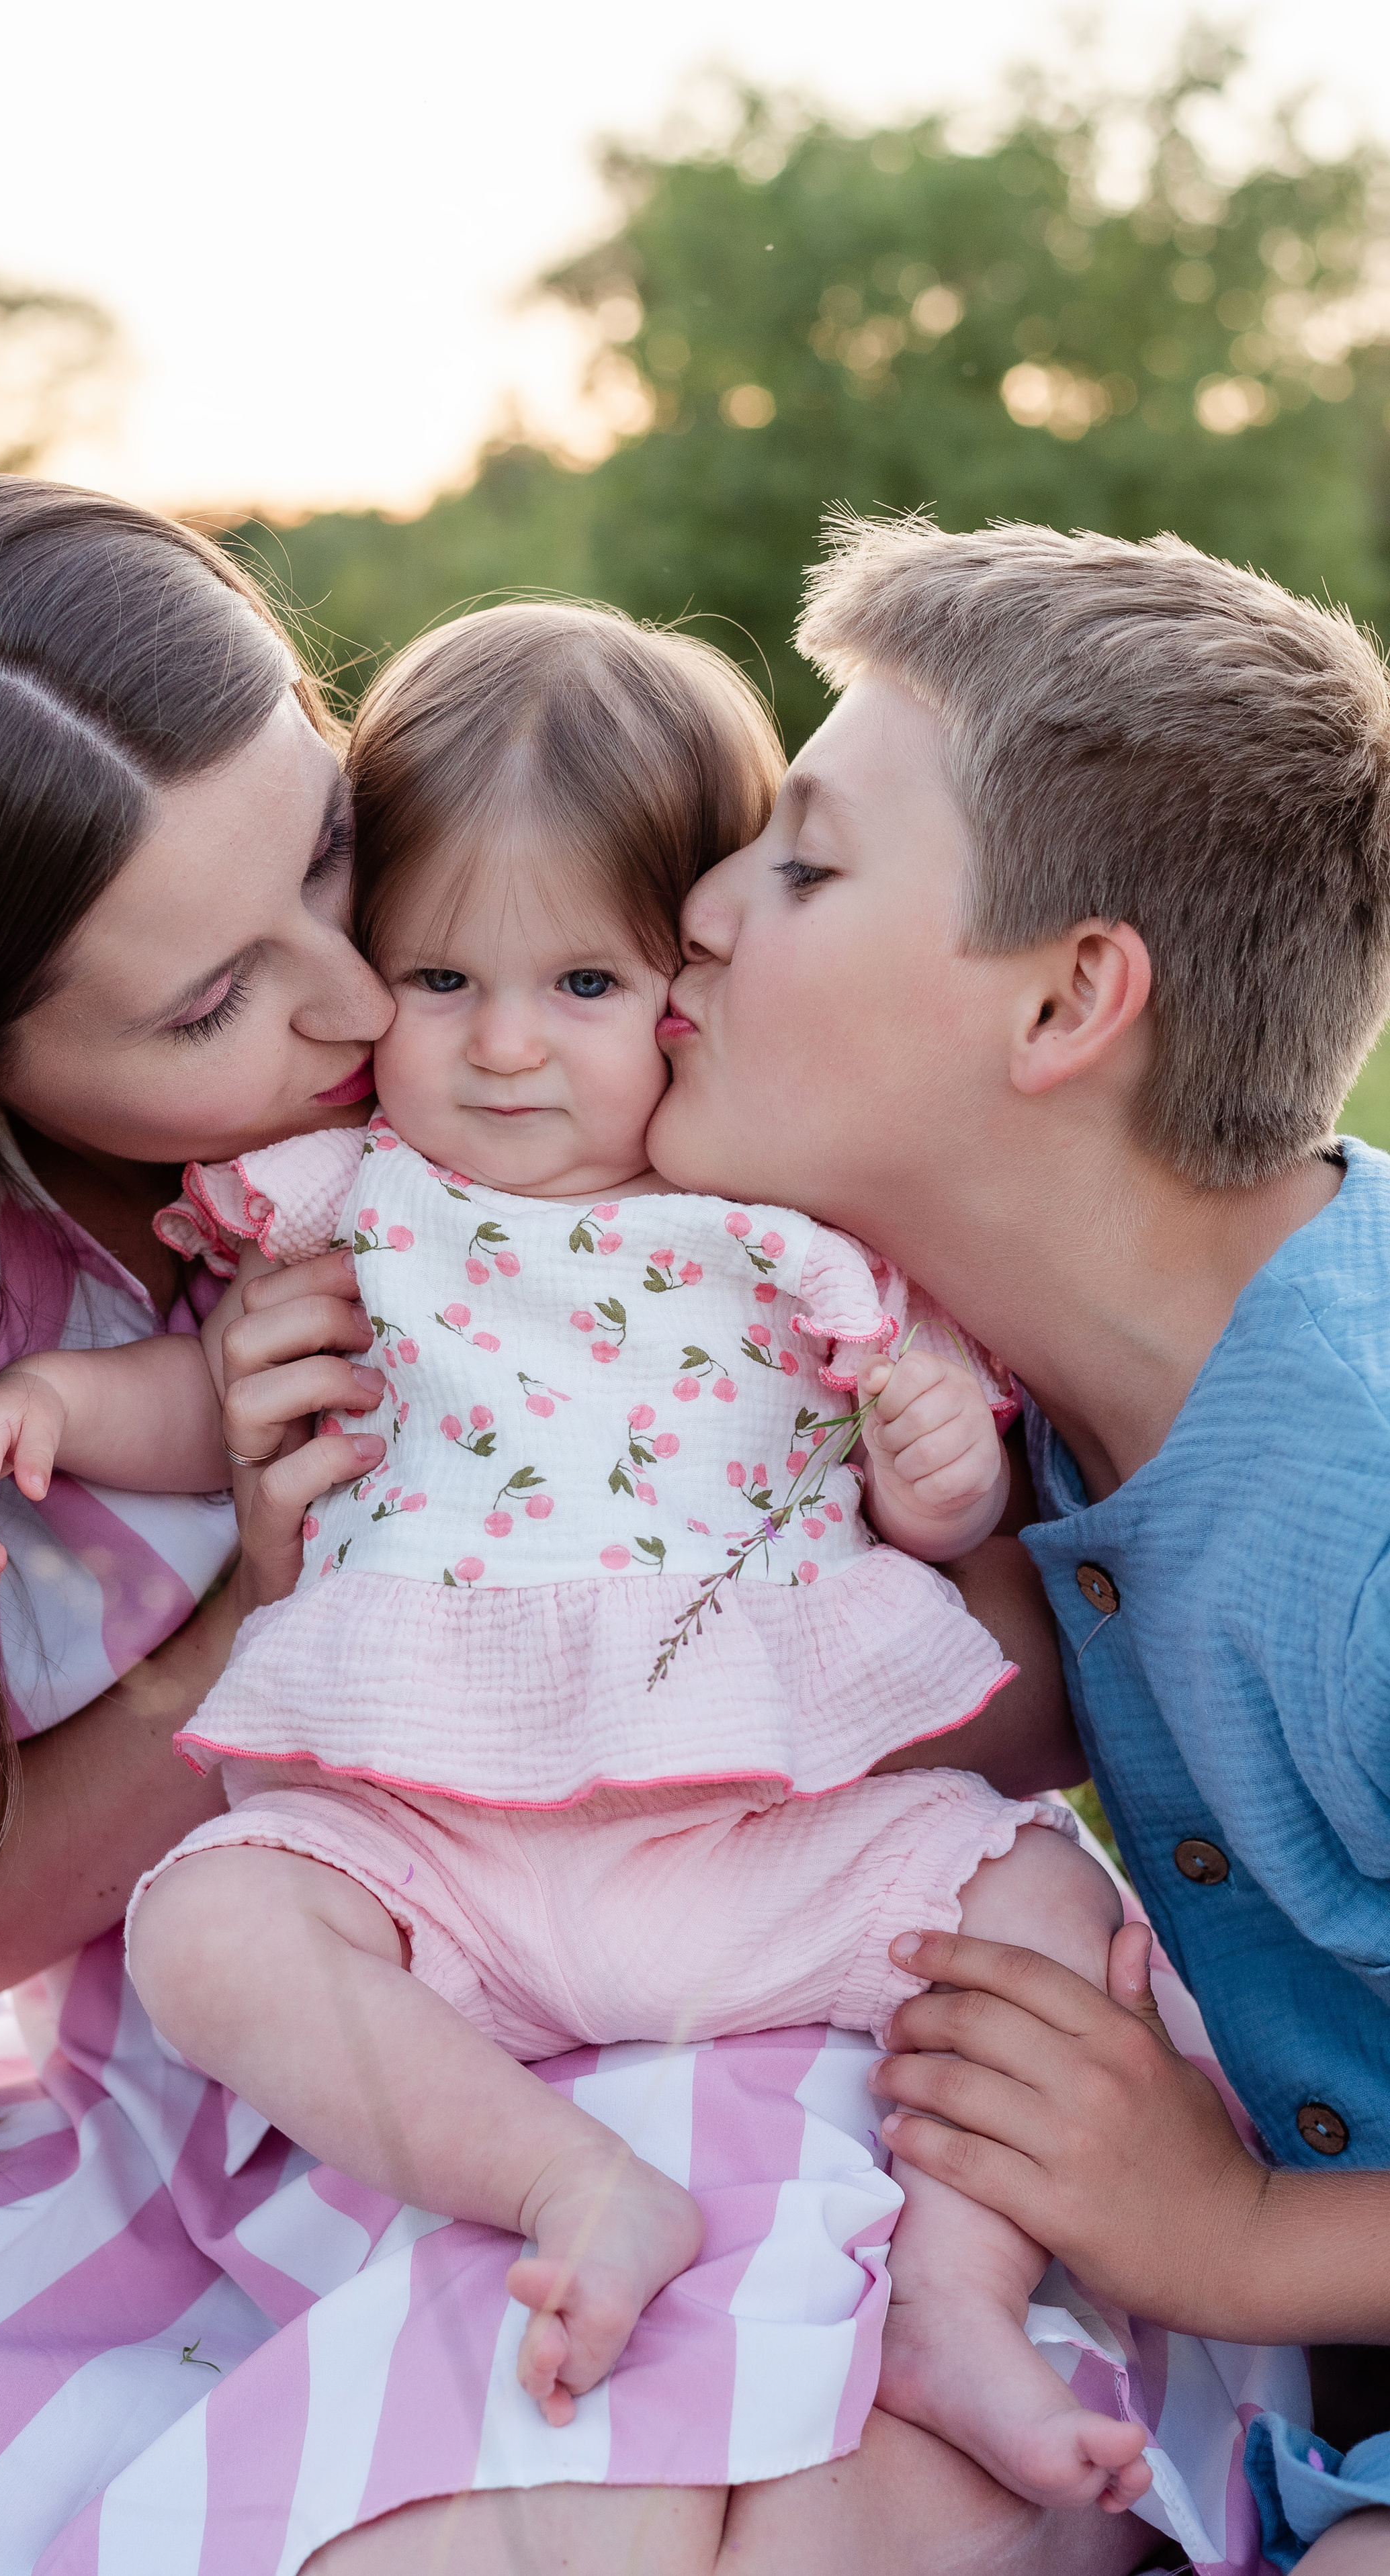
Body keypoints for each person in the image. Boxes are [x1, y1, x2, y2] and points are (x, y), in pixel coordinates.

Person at [0, 476, 1178, 2576]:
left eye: (327, 858)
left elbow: (1042, 1680)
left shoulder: (671, 1112)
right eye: (211, 1003)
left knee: (837, 2491)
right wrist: (256, 1627)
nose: (368, 1010)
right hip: (258, 2055)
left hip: (736, 1965)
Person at [645, 513, 1390, 2573]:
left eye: (800, 863)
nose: (697, 914)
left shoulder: (1372, 1532)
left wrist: (1227, 2234)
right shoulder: (1033, 1361)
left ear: (1069, 999)